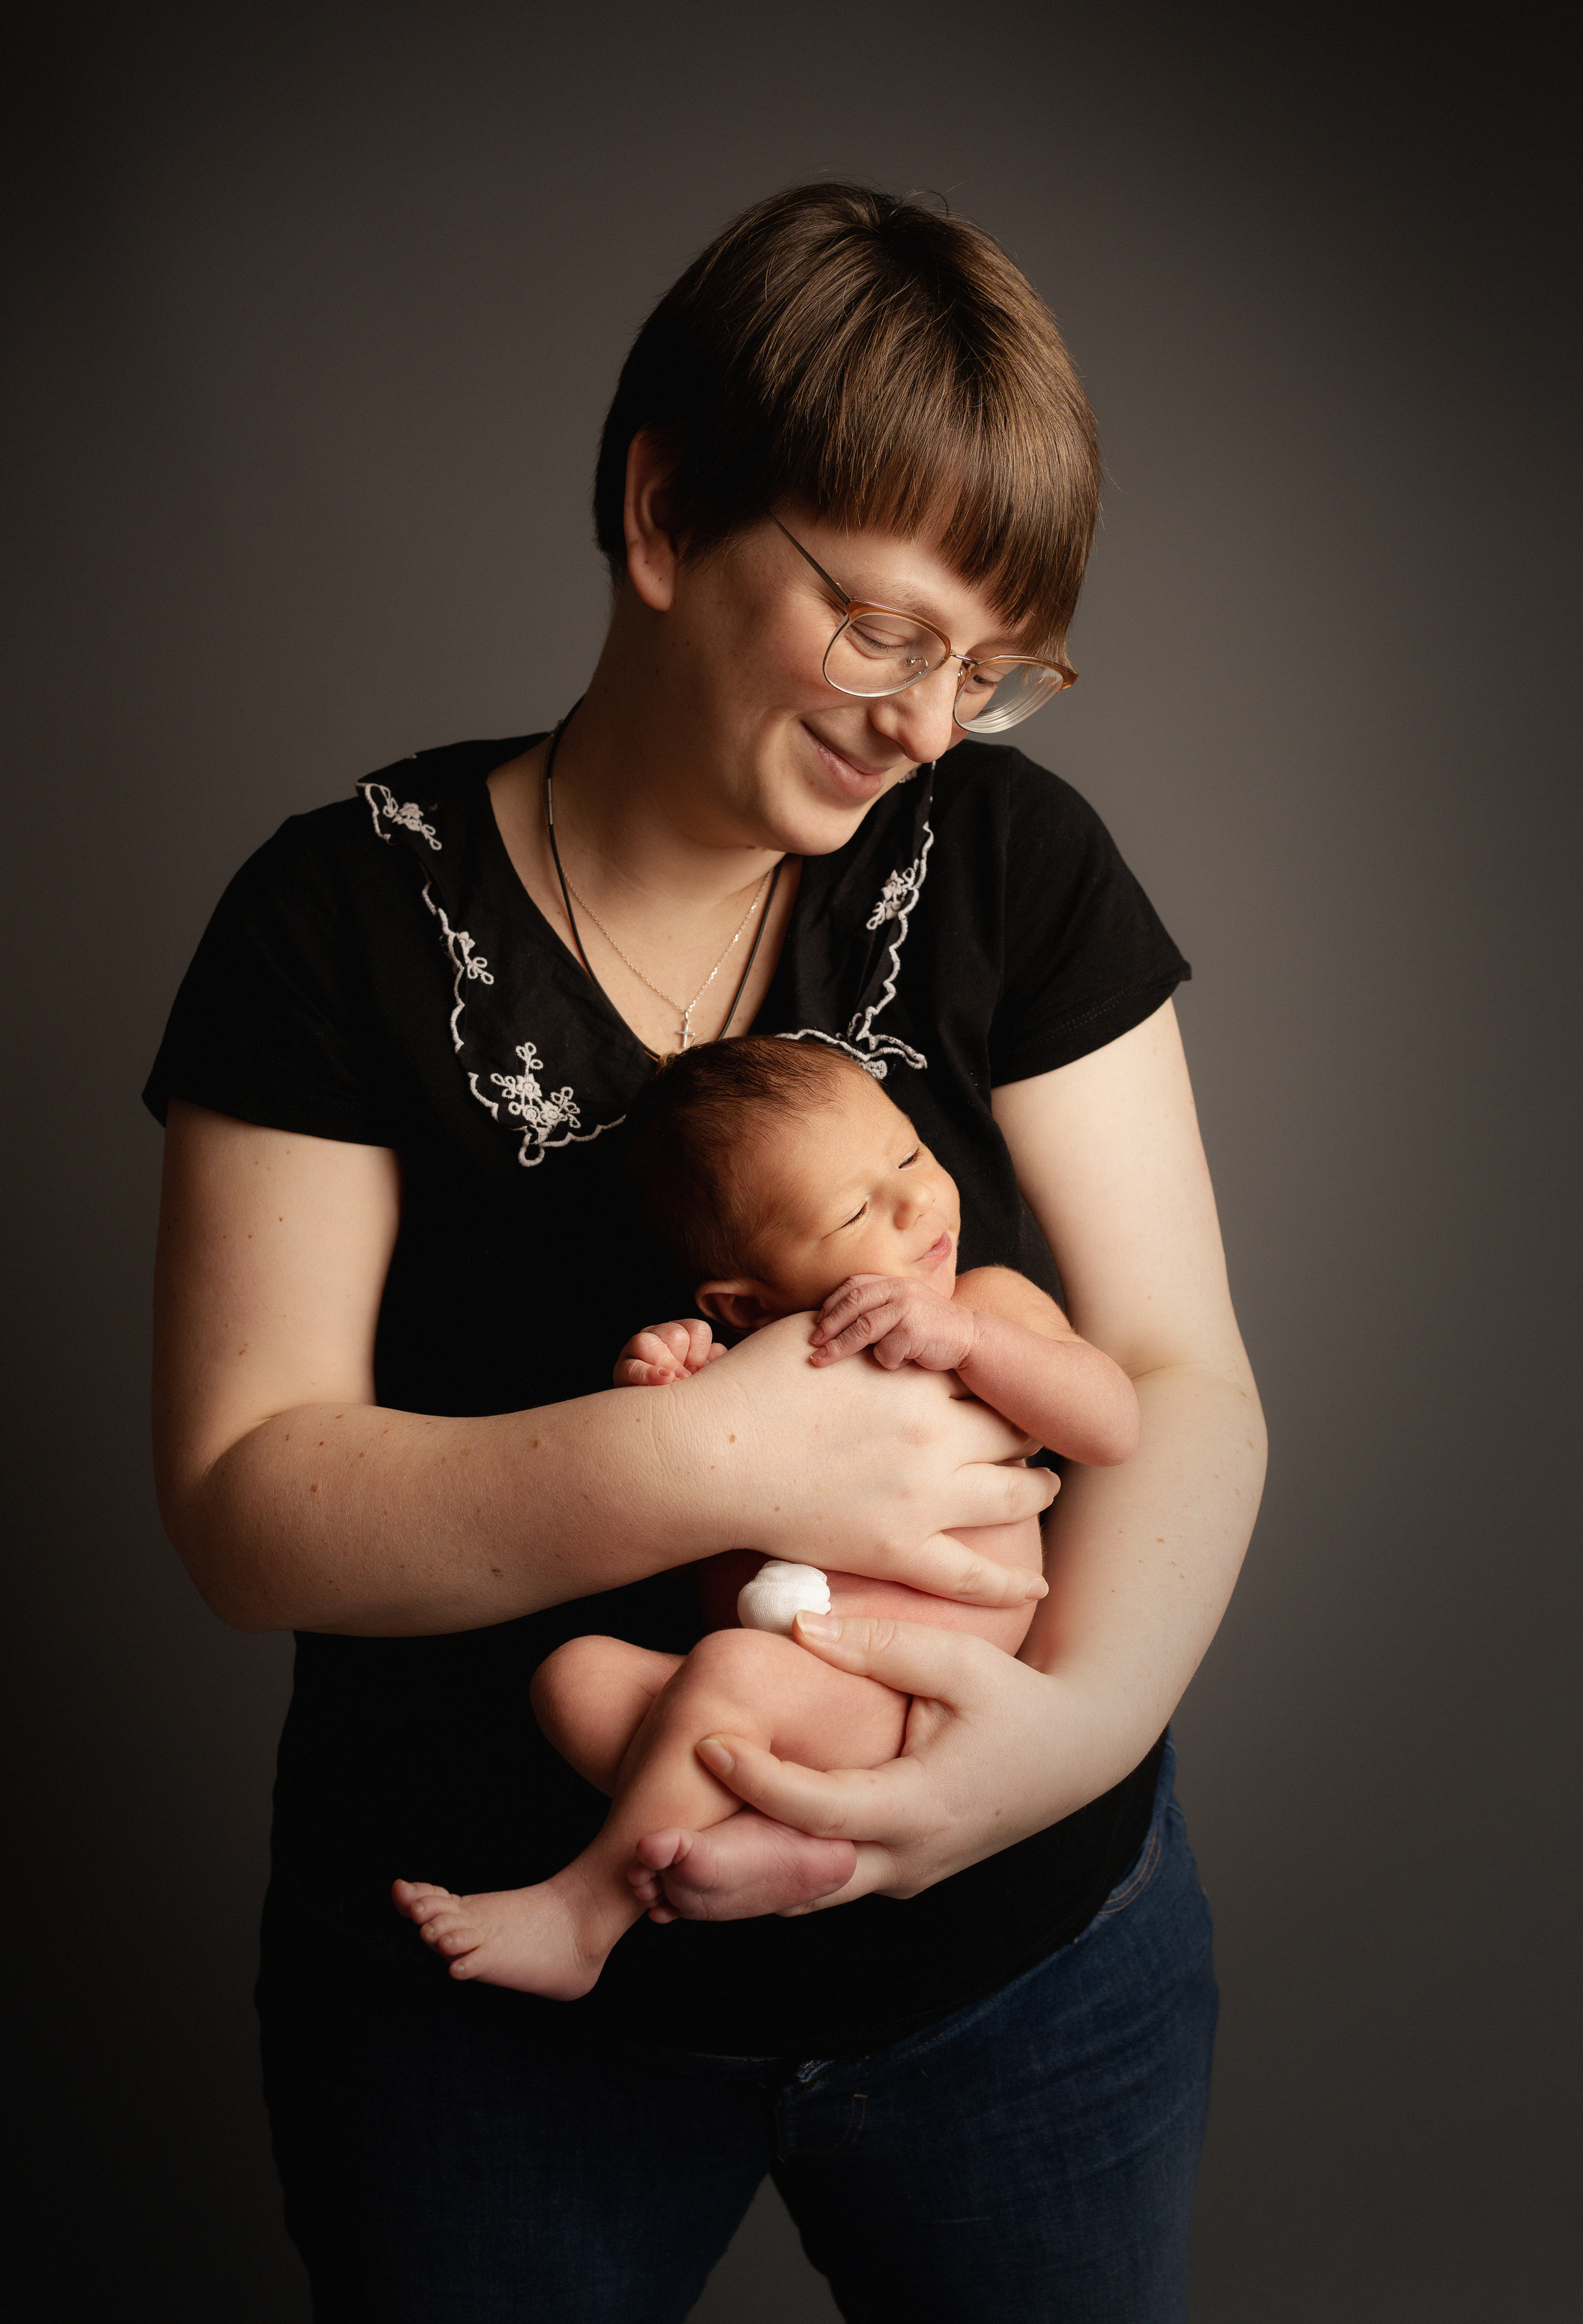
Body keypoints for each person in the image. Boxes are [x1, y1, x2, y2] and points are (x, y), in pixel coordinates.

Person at [147, 180, 1264, 2321]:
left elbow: (1187, 1374)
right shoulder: (336, 921)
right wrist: (721, 1462)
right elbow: (241, 1502)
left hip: (1032, 1982)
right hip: (494, 2026)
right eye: (881, 629)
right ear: (666, 512)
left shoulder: (1010, 858)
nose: (931, 721)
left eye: (991, 667)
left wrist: (1070, 1737)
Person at [391, 1034, 1140, 1998]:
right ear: (744, 1302)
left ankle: (585, 1917)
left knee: (732, 1669)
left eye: (908, 1152)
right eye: (856, 1208)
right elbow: (670, 1505)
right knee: (571, 1681)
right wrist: (674, 1395)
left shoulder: (990, 1305)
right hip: (782, 1692)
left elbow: (1113, 1421)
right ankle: (777, 1840)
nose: (917, 1200)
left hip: (904, 1695)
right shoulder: (751, 1361)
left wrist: (971, 1340)